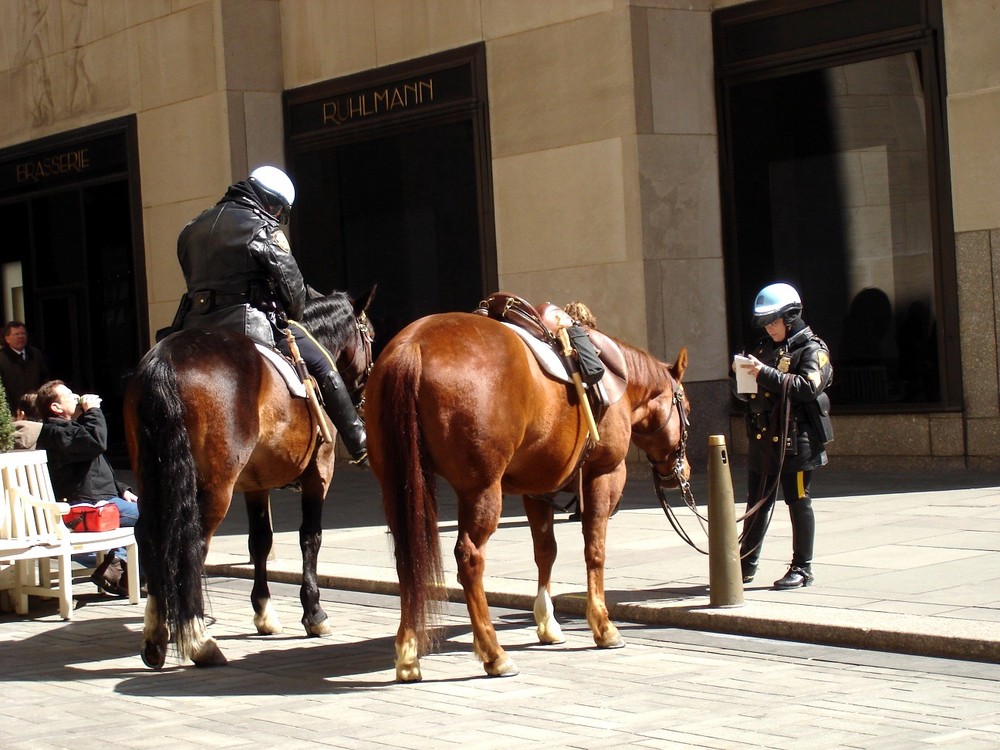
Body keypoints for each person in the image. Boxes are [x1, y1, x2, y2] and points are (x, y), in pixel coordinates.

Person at [171, 165, 367, 465]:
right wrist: (290, 311)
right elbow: (296, 296)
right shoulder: (263, 228)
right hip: (247, 325)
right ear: (272, 203)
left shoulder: (191, 228)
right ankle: (360, 444)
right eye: (280, 212)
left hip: (192, 328)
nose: (278, 218)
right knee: (324, 364)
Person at [733, 282, 833, 590]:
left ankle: (802, 568)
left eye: (773, 321)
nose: (769, 327)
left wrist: (762, 373)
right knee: (756, 503)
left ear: (791, 317)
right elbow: (747, 397)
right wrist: (741, 379)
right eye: (765, 322)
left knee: (798, 500)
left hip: (797, 441)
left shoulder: (813, 349)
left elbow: (806, 387)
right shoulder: (764, 349)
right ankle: (744, 565)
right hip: (763, 439)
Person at [35, 380, 140, 596]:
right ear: (56, 407)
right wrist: (92, 411)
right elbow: (97, 442)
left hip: (103, 498)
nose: (75, 396)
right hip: (89, 504)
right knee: (159, 516)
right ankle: (119, 567)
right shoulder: (58, 433)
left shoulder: (70, 429)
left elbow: (95, 465)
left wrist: (123, 490)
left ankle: (118, 565)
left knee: (155, 515)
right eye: (69, 395)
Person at [0, 321, 51, 411]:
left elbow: (44, 378)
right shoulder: (2, 358)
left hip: (36, 406)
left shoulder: (35, 353)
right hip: (13, 408)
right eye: (16, 334)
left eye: (23, 333)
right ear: (7, 338)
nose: (21, 337)